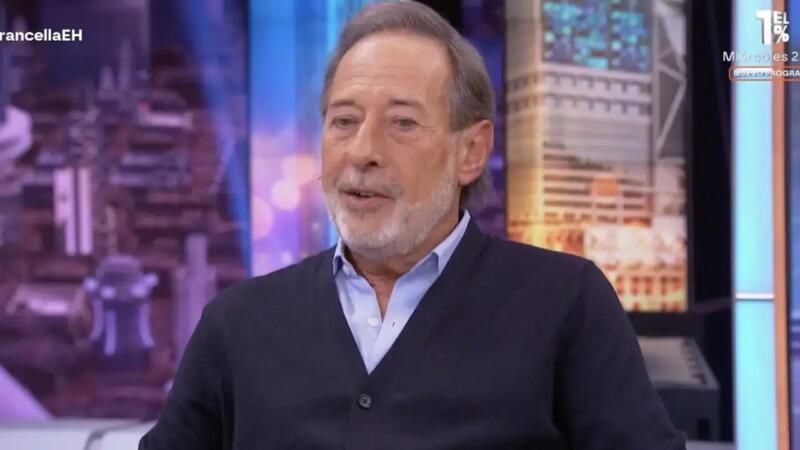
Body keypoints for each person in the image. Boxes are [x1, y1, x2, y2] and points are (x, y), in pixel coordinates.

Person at [139, 2, 687, 449]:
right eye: (343, 121)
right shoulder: (237, 324)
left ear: (471, 152)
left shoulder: (567, 303)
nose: (363, 151)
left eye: (402, 122)